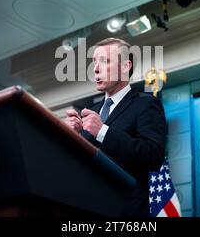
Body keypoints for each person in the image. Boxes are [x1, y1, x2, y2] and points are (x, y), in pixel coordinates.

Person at [64, 38, 167, 217]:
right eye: (94, 62)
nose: (95, 68)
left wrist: (103, 131)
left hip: (124, 212)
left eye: (104, 61)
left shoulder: (146, 104)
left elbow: (153, 156)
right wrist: (71, 137)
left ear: (126, 66)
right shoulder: (90, 113)